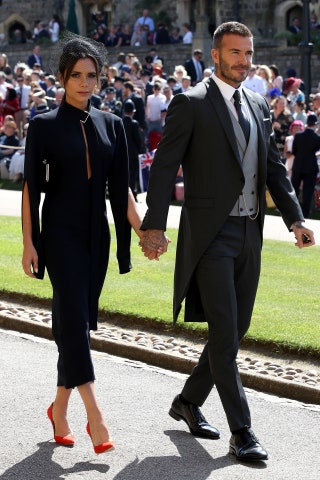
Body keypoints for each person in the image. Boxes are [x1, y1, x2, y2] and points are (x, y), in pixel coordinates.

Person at [139, 21, 315, 463]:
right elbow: (164, 168)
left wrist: (295, 219)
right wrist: (154, 225)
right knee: (223, 332)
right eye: (234, 53)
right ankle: (244, 431)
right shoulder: (190, 102)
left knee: (235, 332)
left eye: (248, 53)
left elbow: (273, 167)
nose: (243, 60)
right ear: (215, 55)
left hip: (249, 232)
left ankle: (187, 402)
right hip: (210, 235)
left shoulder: (258, 104)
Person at [21, 33, 144, 455]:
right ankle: (95, 414)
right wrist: (28, 243)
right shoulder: (42, 125)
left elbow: (122, 189)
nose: (85, 83)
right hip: (59, 236)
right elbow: (31, 189)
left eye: (92, 75)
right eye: (76, 75)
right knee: (72, 318)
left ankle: (58, 409)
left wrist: (143, 230)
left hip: (98, 237)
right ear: (62, 77)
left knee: (74, 323)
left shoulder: (114, 125)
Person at [291, 113, 320, 218]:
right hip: (311, 167)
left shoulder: (298, 136)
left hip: (298, 166)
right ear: (315, 125)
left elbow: (294, 151)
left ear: (307, 123)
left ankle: (293, 213)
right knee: (307, 192)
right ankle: (305, 215)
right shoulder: (317, 138)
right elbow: (316, 150)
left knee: (294, 190)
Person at [122, 99, 143, 200]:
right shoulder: (134, 123)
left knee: (124, 172)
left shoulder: (120, 122)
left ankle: (124, 192)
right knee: (133, 173)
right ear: (133, 112)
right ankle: (132, 193)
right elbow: (138, 139)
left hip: (123, 152)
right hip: (133, 152)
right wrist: (140, 150)